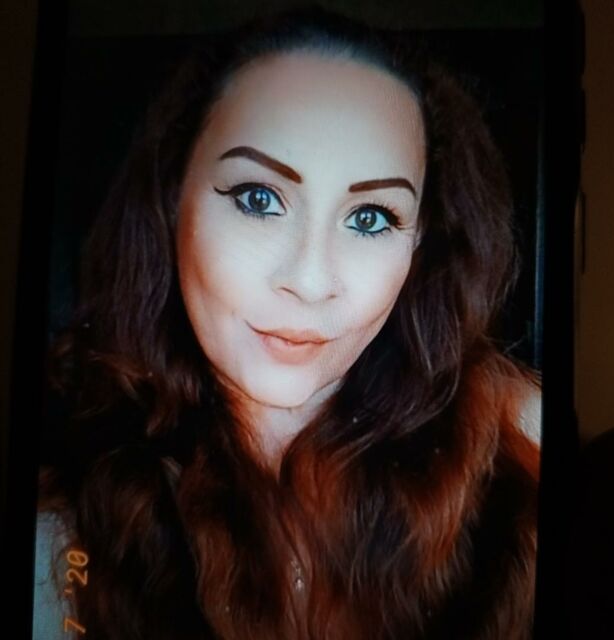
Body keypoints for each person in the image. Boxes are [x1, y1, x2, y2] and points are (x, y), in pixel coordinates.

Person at [34, 7, 540, 639]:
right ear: (171, 201)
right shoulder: (61, 541)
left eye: (370, 218)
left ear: (420, 244)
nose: (309, 280)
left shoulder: (521, 446)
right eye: (258, 199)